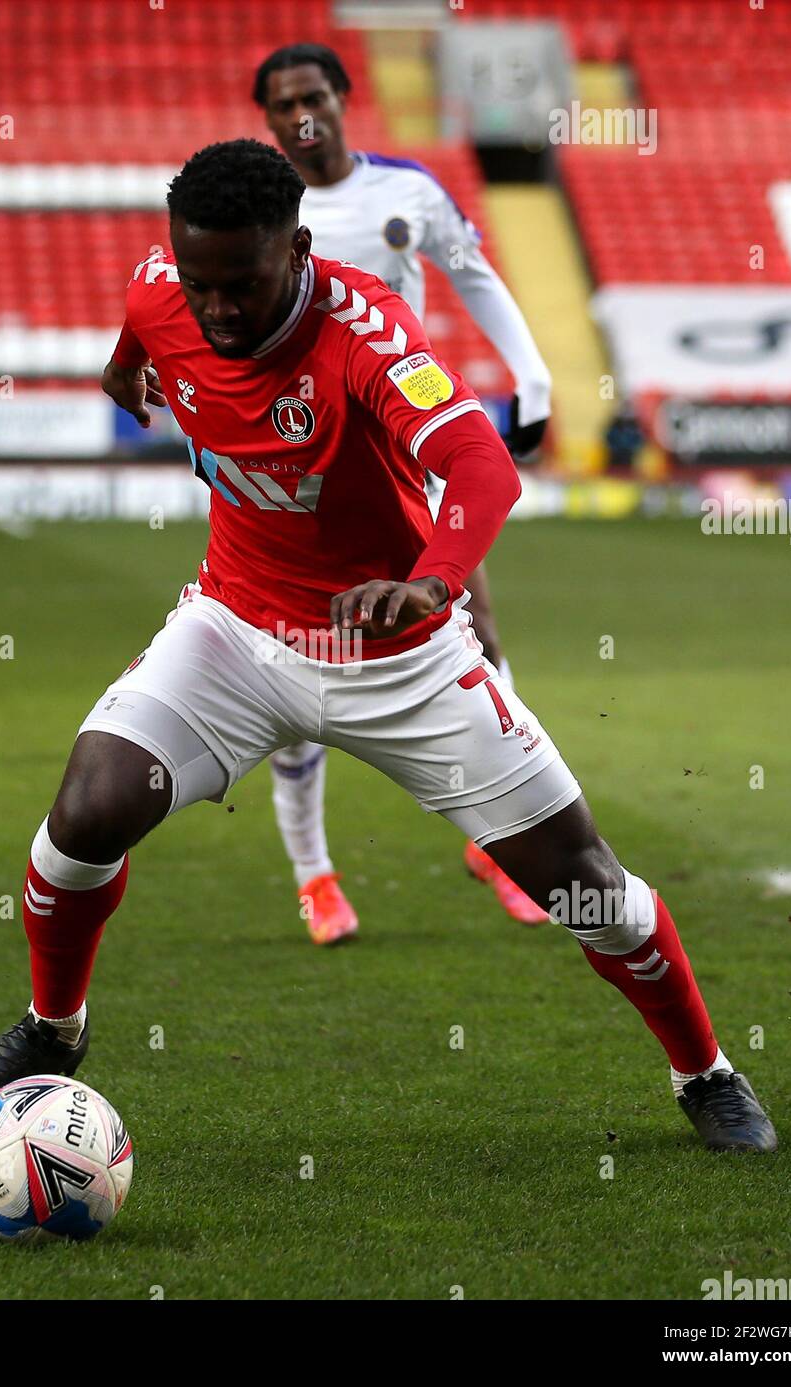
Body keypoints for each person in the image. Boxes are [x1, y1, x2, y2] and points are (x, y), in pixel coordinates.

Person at [0, 140, 776, 1154]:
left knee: (587, 887)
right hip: (237, 631)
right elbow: (145, 329)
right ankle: (52, 1028)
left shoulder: (365, 332)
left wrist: (430, 579)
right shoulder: (167, 290)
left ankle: (706, 1072)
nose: (218, 310)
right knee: (84, 814)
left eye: (240, 286)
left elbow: (481, 467)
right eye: (199, 285)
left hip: (403, 658)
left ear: (295, 248)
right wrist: (128, 369)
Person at [254, 43, 554, 937]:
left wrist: (531, 380)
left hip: (405, 449)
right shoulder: (264, 208)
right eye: (283, 107)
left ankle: (497, 843)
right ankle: (314, 876)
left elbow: (475, 278)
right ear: (268, 122)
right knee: (299, 672)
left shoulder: (408, 193)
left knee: (478, 631)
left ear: (343, 100)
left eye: (314, 97)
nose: (302, 117)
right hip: (292, 465)